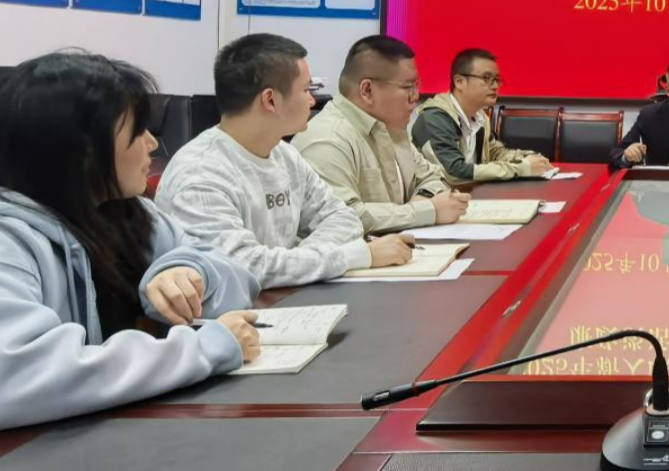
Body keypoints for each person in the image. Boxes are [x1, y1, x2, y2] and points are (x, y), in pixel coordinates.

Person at [0, 52, 262, 430]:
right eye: (138, 132)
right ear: (83, 150)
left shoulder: (132, 213)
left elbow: (241, 281)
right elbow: (17, 377)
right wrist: (205, 349)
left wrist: (189, 269)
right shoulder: (10, 240)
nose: (153, 143)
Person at [156, 34, 413, 289]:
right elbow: (240, 268)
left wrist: (299, 262)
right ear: (270, 100)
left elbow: (343, 218)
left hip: (287, 298)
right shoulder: (200, 174)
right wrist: (353, 256)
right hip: (235, 312)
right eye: (306, 90)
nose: (312, 101)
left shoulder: (284, 155)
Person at [293, 35, 470, 233]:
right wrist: (426, 211)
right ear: (367, 90)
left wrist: (421, 204)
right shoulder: (327, 139)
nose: (415, 96)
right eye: (408, 87)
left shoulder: (389, 126)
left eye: (417, 85)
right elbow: (342, 217)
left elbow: (433, 177)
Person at [411, 47, 551, 183]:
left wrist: (530, 158)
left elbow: (497, 154)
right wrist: (522, 168)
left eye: (497, 79)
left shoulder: (480, 118)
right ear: (459, 82)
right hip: (438, 197)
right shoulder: (435, 118)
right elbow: (453, 173)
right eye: (487, 78)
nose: (495, 86)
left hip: (470, 194)